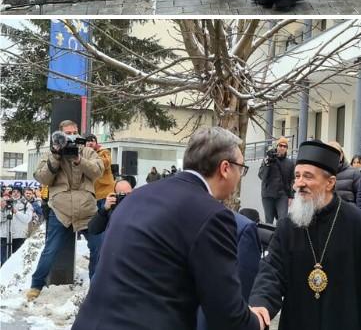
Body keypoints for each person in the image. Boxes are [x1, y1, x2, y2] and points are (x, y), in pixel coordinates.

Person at [72, 127, 262, 330]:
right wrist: (256, 321)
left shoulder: (137, 196)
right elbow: (227, 316)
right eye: (241, 168)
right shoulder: (212, 215)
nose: (240, 176)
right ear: (225, 168)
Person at [248, 140, 361, 330]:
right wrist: (261, 302)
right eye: (297, 176)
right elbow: (272, 271)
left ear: (330, 182)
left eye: (307, 176)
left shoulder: (360, 225)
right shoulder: (288, 226)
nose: (299, 183)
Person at [26, 120, 102, 301]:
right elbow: (42, 178)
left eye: (75, 132)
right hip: (60, 209)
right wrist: (56, 156)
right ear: (60, 135)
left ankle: (97, 286)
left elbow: (98, 171)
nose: (72, 136)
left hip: (86, 209)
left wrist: (78, 159)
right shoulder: (51, 153)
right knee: (50, 249)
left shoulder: (88, 151)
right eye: (67, 133)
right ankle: (36, 285)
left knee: (98, 247)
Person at [84, 133, 114, 277]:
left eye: (92, 141)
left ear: (96, 143)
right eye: (87, 141)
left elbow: (104, 163)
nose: (90, 143)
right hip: (91, 199)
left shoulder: (104, 152)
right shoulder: (81, 156)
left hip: (105, 197)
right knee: (96, 240)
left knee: (105, 237)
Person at [258, 137, 294, 225]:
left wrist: (291, 196)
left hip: (282, 196)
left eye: (285, 146)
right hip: (268, 195)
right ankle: (269, 238)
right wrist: (267, 164)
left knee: (282, 221)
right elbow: (261, 176)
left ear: (287, 149)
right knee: (269, 221)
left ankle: (280, 238)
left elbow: (292, 180)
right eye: (280, 145)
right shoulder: (268, 159)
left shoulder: (290, 163)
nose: (282, 148)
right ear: (277, 146)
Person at [0, 187, 33, 265]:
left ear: (21, 193)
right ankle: (3, 275)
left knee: (17, 260)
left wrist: (16, 212)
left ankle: (14, 276)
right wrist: (2, 209)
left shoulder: (26, 204)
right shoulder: (4, 203)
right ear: (11, 193)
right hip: (5, 235)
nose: (15, 193)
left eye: (18, 192)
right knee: (4, 260)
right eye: (14, 191)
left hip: (19, 235)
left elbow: (27, 219)